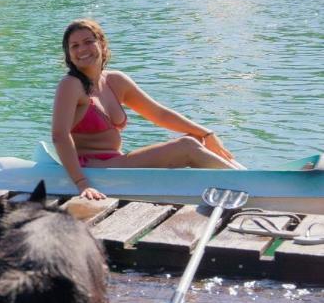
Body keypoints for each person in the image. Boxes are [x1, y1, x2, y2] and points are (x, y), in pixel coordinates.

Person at [52, 18, 241, 201]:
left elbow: (159, 114)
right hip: (93, 168)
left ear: (102, 45)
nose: (82, 49)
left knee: (194, 138)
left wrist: (207, 133)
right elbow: (59, 135)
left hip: (115, 161)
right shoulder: (71, 85)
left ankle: (241, 180)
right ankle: (248, 184)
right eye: (74, 46)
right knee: (187, 146)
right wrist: (82, 183)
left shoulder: (115, 81)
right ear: (68, 54)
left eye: (88, 42)